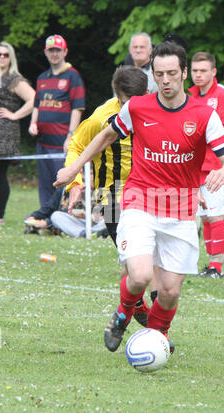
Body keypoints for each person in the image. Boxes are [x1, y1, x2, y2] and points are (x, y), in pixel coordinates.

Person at [54, 41, 224, 355]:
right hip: (140, 202)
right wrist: (73, 168)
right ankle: (121, 316)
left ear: (184, 74)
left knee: (168, 293)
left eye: (171, 73)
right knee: (139, 276)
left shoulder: (203, 115)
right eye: (159, 74)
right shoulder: (138, 107)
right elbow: (106, 135)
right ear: (153, 75)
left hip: (181, 210)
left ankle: (156, 338)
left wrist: (223, 172)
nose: (165, 80)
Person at [60, 65, 152, 326]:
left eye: (135, 102)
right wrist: (75, 181)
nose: (129, 109)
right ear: (116, 96)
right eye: (124, 103)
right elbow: (77, 146)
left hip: (149, 194)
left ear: (147, 92)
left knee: (151, 262)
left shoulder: (155, 111)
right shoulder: (102, 116)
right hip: (111, 197)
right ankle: (138, 308)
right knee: (134, 262)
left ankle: (140, 309)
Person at [188, 51, 224, 278]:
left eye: (203, 71)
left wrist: (202, 137)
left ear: (213, 71)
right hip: (192, 167)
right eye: (195, 71)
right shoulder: (188, 95)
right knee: (203, 217)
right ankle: (209, 265)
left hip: (216, 166)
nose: (198, 75)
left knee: (216, 215)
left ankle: (217, 267)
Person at [29, 34, 85, 208]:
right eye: (51, 50)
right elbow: (37, 105)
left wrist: (70, 136)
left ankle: (61, 217)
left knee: (62, 181)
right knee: (45, 182)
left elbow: (77, 108)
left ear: (65, 52)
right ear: (46, 52)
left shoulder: (72, 76)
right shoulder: (42, 78)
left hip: (62, 141)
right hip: (43, 141)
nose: (54, 54)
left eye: (58, 50)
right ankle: (44, 216)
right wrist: (32, 123)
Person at [0, 41, 35, 225]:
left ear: (10, 58)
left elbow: (34, 99)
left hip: (4, 134)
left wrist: (14, 115)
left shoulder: (14, 79)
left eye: (5, 54)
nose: (2, 57)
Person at [24, 166, 107, 238]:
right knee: (55, 216)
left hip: (98, 223)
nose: (85, 177)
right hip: (77, 223)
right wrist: (33, 217)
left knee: (109, 219)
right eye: (80, 173)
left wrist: (87, 216)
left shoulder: (103, 188)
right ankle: (83, 233)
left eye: (92, 173)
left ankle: (95, 232)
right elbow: (49, 207)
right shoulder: (66, 189)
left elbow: (107, 213)